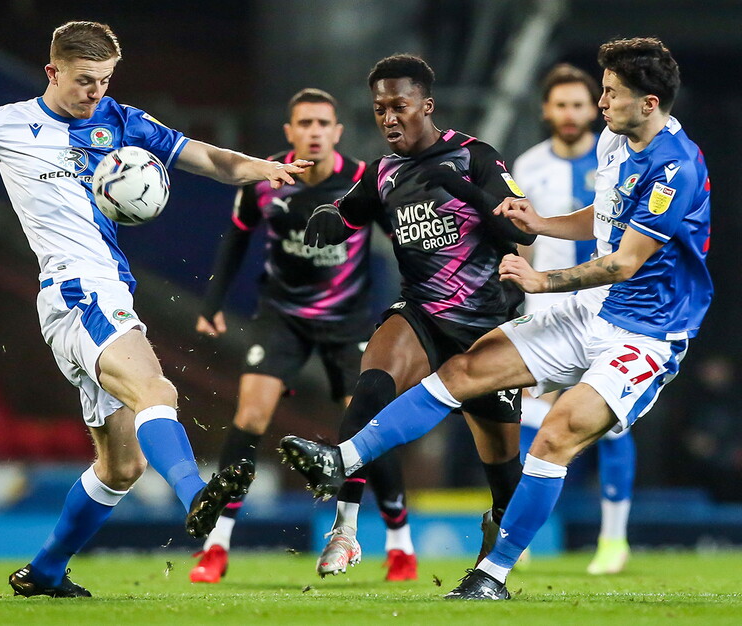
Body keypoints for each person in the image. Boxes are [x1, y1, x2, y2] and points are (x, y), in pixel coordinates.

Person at [0, 20, 311, 598]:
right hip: (78, 292)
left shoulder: (121, 121)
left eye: (105, 80)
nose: (96, 91)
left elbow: (207, 160)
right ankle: (197, 496)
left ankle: (44, 571)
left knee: (121, 468)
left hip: (107, 292)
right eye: (86, 80)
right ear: (53, 72)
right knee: (157, 392)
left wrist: (263, 167)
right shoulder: (6, 123)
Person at [280, 37, 711, 600]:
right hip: (591, 311)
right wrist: (545, 222)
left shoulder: (675, 167)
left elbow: (627, 261)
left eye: (610, 93)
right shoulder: (615, 141)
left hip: (647, 333)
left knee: (553, 438)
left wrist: (540, 281)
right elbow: (603, 218)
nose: (600, 103)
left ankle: (494, 574)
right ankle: (342, 462)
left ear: (648, 103)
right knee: (464, 371)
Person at [296, 54, 536, 579]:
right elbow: (350, 212)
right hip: (420, 315)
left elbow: (525, 232)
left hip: (483, 330)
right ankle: (346, 531)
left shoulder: (475, 157)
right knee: (372, 391)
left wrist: (469, 194)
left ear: (425, 106)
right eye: (379, 109)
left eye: (398, 106)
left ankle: (496, 537)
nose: (387, 119)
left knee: (504, 476)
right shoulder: (383, 173)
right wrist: (329, 217)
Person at [190, 88, 412, 582]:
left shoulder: (361, 180)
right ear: (289, 132)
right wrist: (212, 304)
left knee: (365, 426)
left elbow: (401, 239)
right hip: (281, 317)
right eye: (304, 123)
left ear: (337, 131)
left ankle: (399, 542)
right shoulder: (265, 178)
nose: (314, 131)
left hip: (348, 320)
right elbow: (237, 238)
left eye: (322, 123)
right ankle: (217, 544)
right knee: (249, 414)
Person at [513, 64, 637, 575]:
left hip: (612, 304)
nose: (571, 114)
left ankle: (613, 540)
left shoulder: (618, 157)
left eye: (579, 104)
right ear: (546, 110)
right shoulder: (527, 164)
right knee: (529, 420)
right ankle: (515, 536)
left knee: (609, 420)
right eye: (560, 104)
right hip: (546, 305)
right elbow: (519, 234)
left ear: (596, 107)